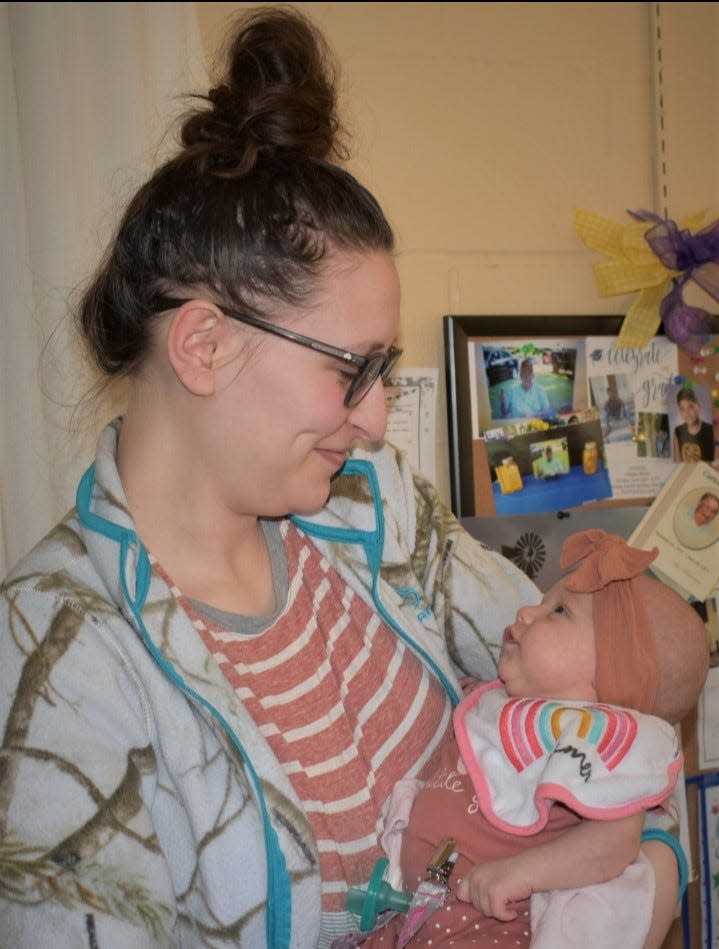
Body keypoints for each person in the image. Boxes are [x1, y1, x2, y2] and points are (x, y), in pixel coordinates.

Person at [0, 8, 685, 949]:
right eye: (348, 369)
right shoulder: (56, 661)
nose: (372, 418)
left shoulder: (373, 504)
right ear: (204, 344)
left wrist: (642, 871)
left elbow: (597, 708)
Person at [353, 530, 709, 949]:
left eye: (558, 611)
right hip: (419, 911)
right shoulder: (521, 710)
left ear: (612, 675)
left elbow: (615, 842)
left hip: (490, 927)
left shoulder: (596, 739)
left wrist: (522, 873)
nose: (525, 611)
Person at [672, 385, 715, 462]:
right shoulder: (677, 431)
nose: (687, 413)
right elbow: (677, 464)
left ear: (698, 407)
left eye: (690, 407)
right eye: (682, 409)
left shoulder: (711, 431)